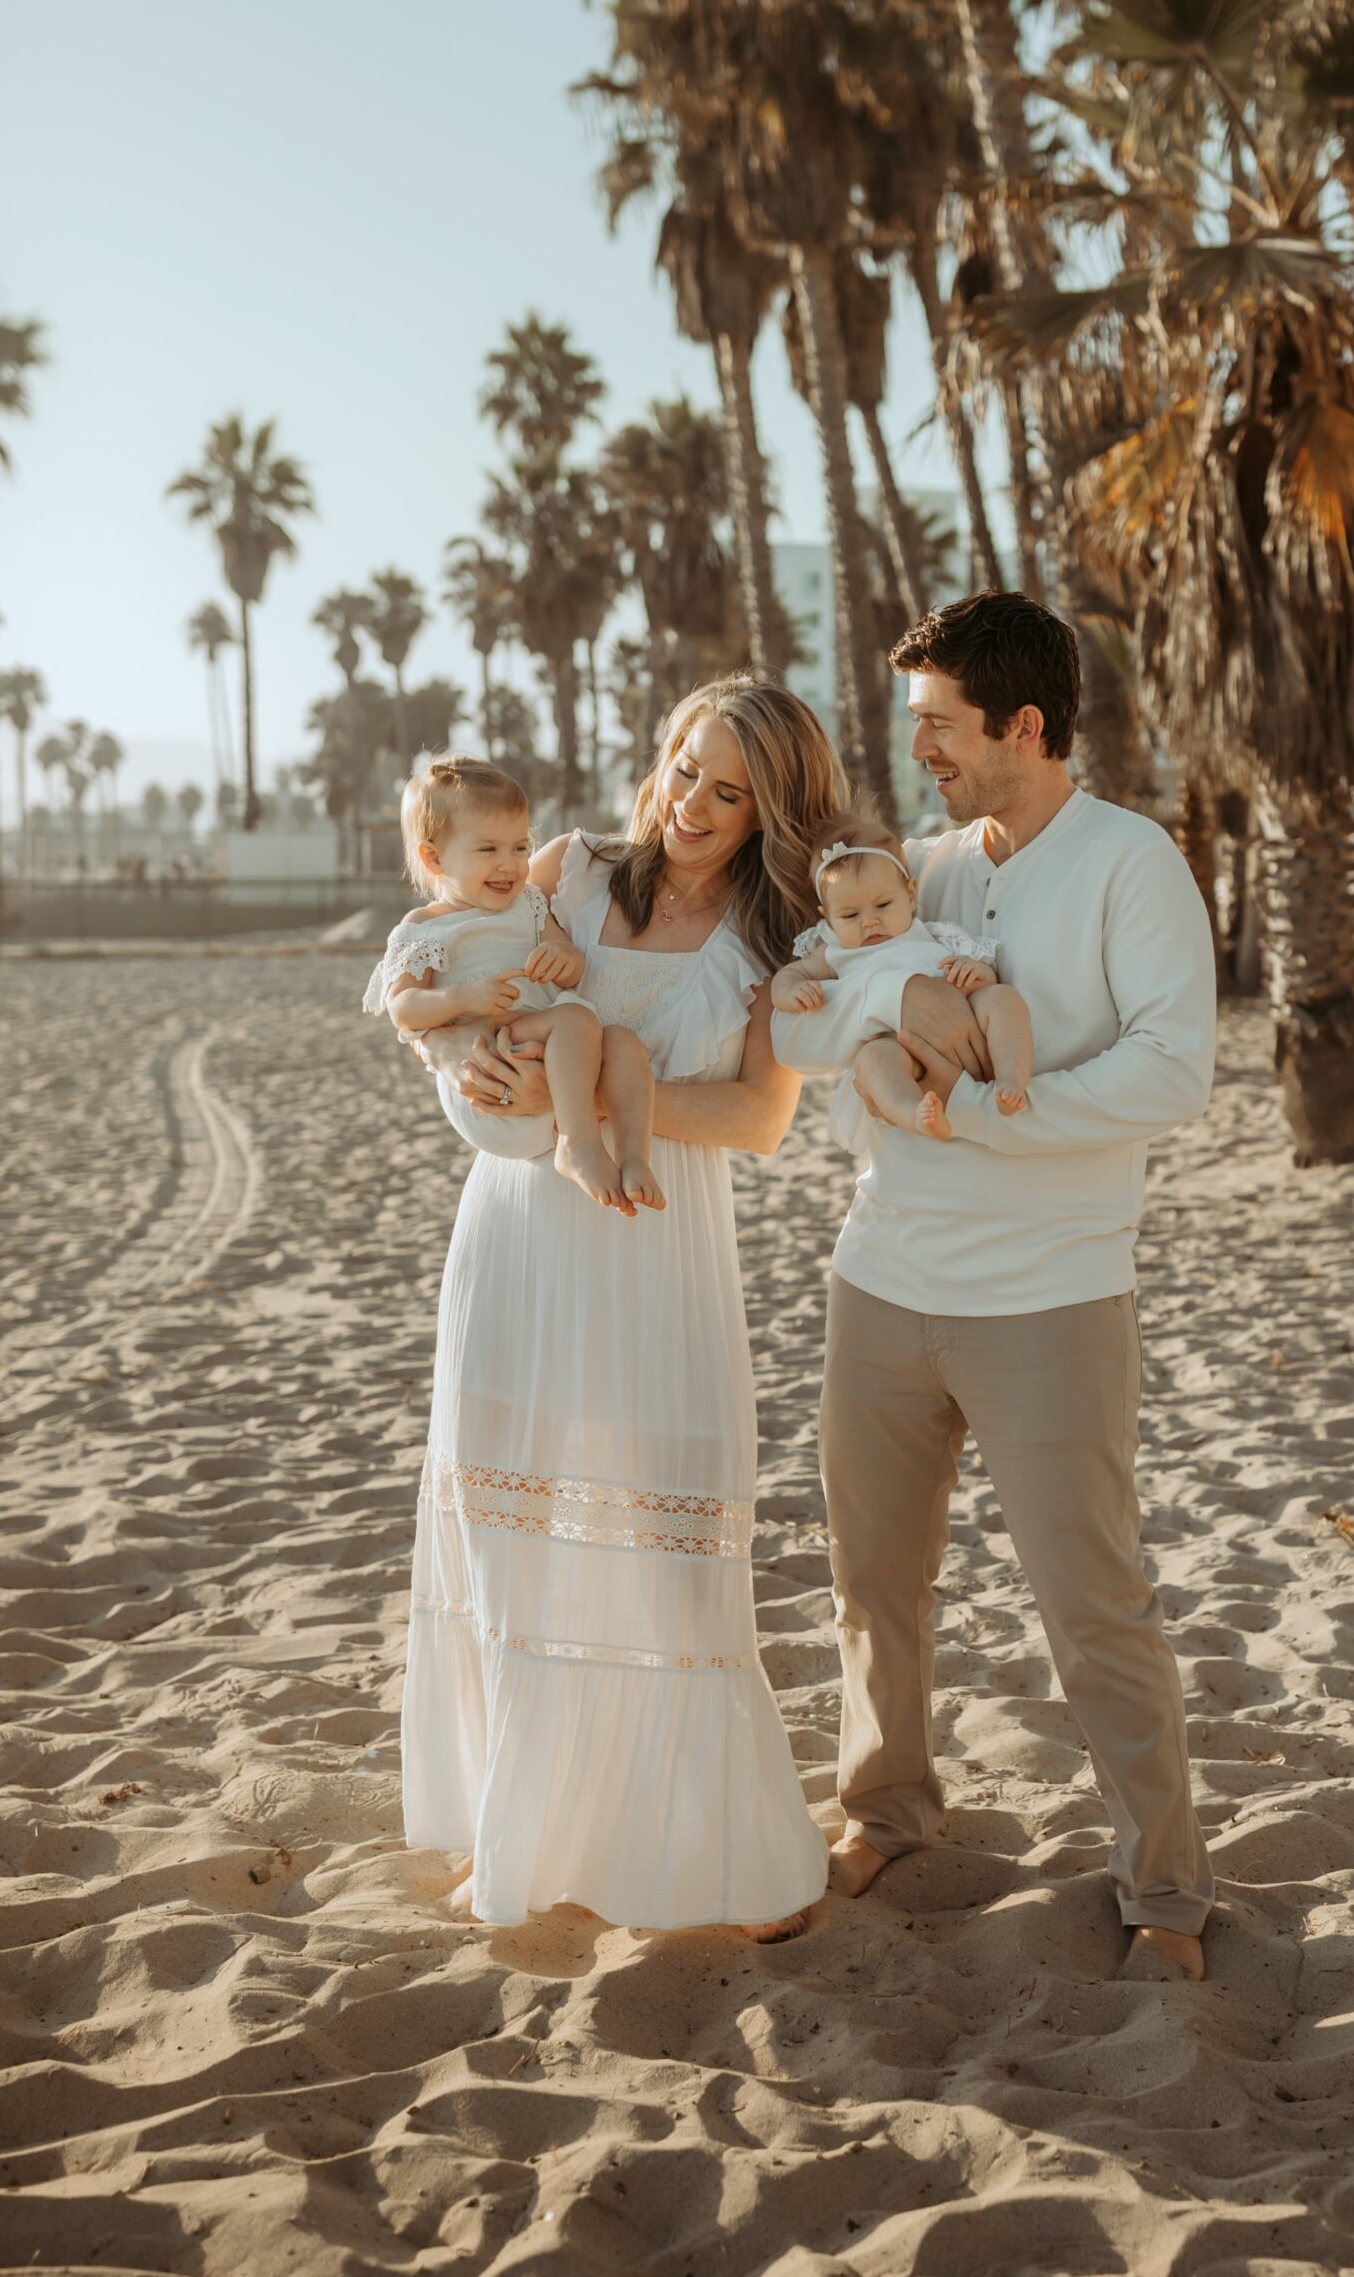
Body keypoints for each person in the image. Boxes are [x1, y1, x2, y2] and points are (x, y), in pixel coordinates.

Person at [770, 592, 1218, 1980]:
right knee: (872, 1583)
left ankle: (1162, 1894)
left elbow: (1170, 1068)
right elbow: (818, 1009)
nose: (923, 755)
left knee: (1094, 1604)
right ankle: (886, 1809)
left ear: (1023, 726)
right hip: (879, 1279)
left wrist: (984, 1118)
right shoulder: (918, 868)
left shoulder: (1130, 863)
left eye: (940, 727)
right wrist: (892, 1034)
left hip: (1052, 1297)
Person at [398, 680, 842, 1937]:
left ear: (771, 810)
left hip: (655, 1237)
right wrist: (468, 1063)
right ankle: (518, 1829)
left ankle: (693, 1847)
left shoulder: (777, 937)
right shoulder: (566, 869)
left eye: (729, 790)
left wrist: (591, 1117)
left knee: (661, 1545)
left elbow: (759, 1119)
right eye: (684, 768)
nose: (690, 805)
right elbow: (445, 981)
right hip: (521, 1231)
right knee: (512, 1520)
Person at [365, 754, 663, 1212]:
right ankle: (577, 1143)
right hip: (492, 1054)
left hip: (547, 1043)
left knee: (622, 1042)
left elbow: (572, 962)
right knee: (576, 1021)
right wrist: (460, 997)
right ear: (434, 857)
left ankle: (633, 1157)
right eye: (488, 850)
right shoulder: (425, 927)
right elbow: (402, 1007)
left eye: (520, 848)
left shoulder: (529, 905)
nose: (510, 865)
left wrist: (561, 959)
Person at [773, 805, 1032, 1137]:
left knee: (1002, 999)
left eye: (883, 905)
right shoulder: (833, 952)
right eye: (850, 915)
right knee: (872, 1061)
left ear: (910, 894)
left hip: (961, 1024)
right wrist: (790, 992)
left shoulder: (934, 933)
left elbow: (985, 977)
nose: (869, 921)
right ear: (827, 916)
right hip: (899, 1048)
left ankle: (1010, 1079)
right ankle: (915, 1113)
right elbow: (789, 976)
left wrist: (974, 972)